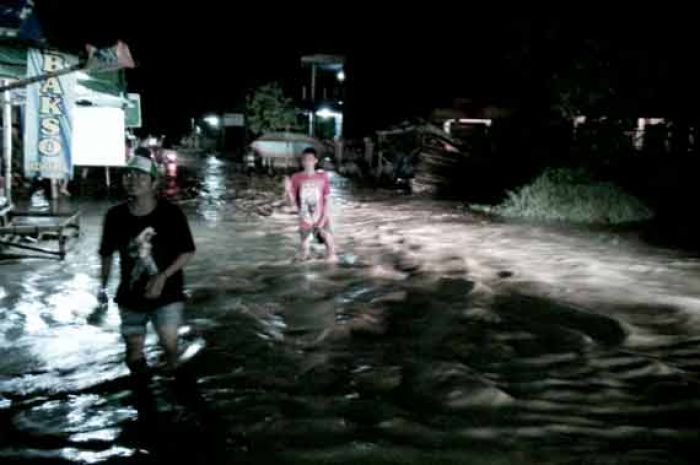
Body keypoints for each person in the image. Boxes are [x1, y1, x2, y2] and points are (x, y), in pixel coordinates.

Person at [98, 148, 196, 376]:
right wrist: (102, 288)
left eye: (140, 176)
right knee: (133, 349)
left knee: (170, 345)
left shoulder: (172, 214)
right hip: (131, 294)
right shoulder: (115, 216)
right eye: (128, 175)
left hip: (168, 293)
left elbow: (187, 252)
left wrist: (163, 276)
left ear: (154, 183)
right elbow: (106, 253)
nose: (133, 180)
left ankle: (175, 387)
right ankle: (142, 393)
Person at [285, 147, 337, 262]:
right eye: (305, 160)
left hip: (321, 217)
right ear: (302, 162)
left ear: (315, 161)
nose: (307, 162)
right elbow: (291, 204)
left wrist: (323, 220)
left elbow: (327, 199)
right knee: (304, 253)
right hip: (305, 220)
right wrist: (288, 191)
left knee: (331, 250)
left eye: (310, 159)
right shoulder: (296, 178)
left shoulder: (323, 177)